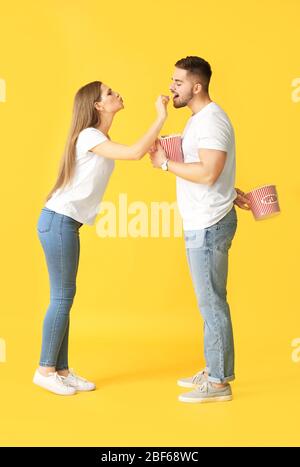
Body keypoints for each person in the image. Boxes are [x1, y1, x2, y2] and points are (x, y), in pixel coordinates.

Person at [34, 80, 169, 395]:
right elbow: (135, 153)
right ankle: (45, 369)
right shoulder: (90, 136)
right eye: (109, 93)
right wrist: (160, 117)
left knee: (64, 297)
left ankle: (62, 370)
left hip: (64, 223)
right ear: (97, 105)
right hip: (58, 222)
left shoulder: (99, 138)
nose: (116, 93)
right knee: (62, 297)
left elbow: (134, 150)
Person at [149, 56, 250, 403]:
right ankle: (213, 368)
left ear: (197, 86)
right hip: (204, 219)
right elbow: (215, 172)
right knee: (208, 301)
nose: (171, 87)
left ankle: (220, 382)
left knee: (212, 303)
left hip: (208, 224)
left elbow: (208, 173)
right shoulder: (198, 120)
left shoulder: (210, 121)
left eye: (177, 82)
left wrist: (165, 165)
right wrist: (232, 193)